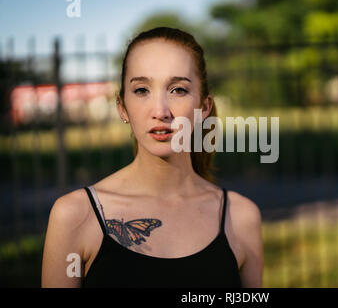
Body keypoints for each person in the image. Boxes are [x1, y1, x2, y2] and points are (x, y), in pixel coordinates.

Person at [41, 27, 263, 288]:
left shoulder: (241, 217)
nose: (160, 111)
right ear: (122, 107)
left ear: (204, 108)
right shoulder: (74, 215)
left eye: (178, 89)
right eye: (142, 90)